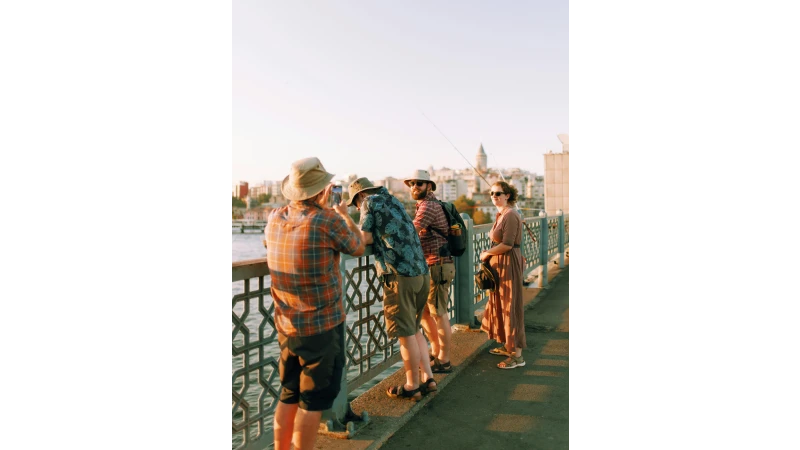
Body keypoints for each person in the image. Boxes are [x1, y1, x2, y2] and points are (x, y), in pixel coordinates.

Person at [265, 157, 366, 450]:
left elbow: (270, 244)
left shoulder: (274, 218)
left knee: (289, 393)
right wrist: (342, 215)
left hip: (286, 326)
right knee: (312, 402)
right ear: (322, 190)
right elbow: (358, 247)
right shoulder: (327, 220)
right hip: (321, 327)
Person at [348, 177, 438, 401]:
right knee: (415, 329)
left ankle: (412, 386)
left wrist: (343, 218)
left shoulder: (368, 202)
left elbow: (365, 238)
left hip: (400, 275)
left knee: (406, 334)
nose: (357, 208)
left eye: (355, 204)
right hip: (421, 272)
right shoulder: (393, 200)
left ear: (361, 195)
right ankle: (428, 378)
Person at [404, 169, 455, 374]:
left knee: (438, 313)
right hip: (430, 265)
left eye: (419, 183)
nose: (414, 187)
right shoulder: (425, 205)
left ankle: (445, 359)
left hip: (438, 266)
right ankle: (435, 351)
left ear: (429, 186)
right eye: (412, 184)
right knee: (425, 312)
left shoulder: (428, 206)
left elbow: (411, 233)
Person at [479, 181, 527, 369]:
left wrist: (487, 254)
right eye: (491, 193)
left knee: (510, 307)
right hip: (500, 268)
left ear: (507, 195)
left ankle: (517, 356)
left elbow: (507, 244)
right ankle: (508, 346)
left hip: (508, 266)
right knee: (501, 306)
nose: (494, 196)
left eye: (498, 193)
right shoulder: (501, 215)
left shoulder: (511, 215)